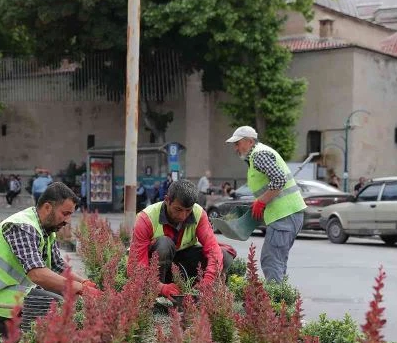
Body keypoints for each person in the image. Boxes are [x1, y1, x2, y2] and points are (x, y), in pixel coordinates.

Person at [0, 182, 96, 337]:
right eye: (65, 213)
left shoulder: (46, 230)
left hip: (7, 293)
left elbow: (57, 266)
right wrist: (78, 287)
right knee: (54, 305)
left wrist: (84, 283)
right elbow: (37, 274)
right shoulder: (23, 227)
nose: (68, 221)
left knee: (65, 295)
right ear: (47, 208)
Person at [128, 179, 234, 299]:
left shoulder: (199, 213)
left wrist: (207, 281)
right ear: (167, 200)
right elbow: (136, 266)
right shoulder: (145, 219)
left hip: (183, 266)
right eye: (178, 209)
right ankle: (155, 297)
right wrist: (160, 287)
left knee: (224, 256)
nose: (183, 216)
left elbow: (213, 250)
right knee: (164, 244)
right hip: (158, 271)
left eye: (188, 210)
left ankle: (198, 294)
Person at [226, 125, 306, 283]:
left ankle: (275, 304)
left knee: (271, 261)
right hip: (288, 214)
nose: (235, 147)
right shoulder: (257, 155)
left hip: (284, 215)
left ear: (249, 141)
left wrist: (261, 201)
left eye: (238, 143)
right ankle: (280, 300)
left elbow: (279, 180)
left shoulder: (258, 154)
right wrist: (260, 201)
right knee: (277, 261)